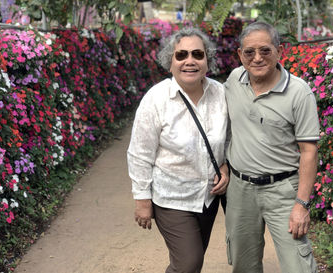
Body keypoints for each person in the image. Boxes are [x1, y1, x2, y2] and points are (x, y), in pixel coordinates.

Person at [127, 27, 229, 273]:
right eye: (181, 55)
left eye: (197, 54)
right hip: (170, 198)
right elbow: (139, 153)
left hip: (208, 198)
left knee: (190, 264)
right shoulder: (156, 99)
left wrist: (225, 165)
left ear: (207, 60)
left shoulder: (221, 93)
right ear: (169, 62)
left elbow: (230, 139)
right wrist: (142, 199)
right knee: (189, 261)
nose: (190, 61)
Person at [224, 21, 319, 273]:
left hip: (283, 192)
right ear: (240, 55)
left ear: (279, 51)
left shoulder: (299, 93)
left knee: (298, 266)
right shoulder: (234, 80)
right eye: (249, 52)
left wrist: (301, 204)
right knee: (243, 264)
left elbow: (309, 152)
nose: (257, 58)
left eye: (265, 50)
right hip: (240, 190)